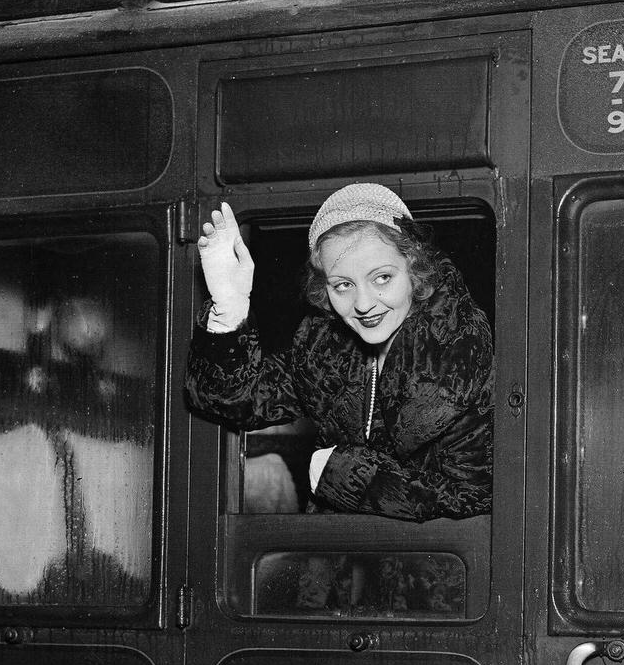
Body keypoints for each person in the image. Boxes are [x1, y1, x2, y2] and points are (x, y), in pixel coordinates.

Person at [185, 183, 493, 521]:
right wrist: (229, 304)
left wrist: (346, 475)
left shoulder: (460, 356)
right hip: (336, 558)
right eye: (343, 285)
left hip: (433, 565)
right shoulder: (322, 351)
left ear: (414, 269)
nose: (363, 304)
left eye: (382, 278)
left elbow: (475, 497)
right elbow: (232, 400)